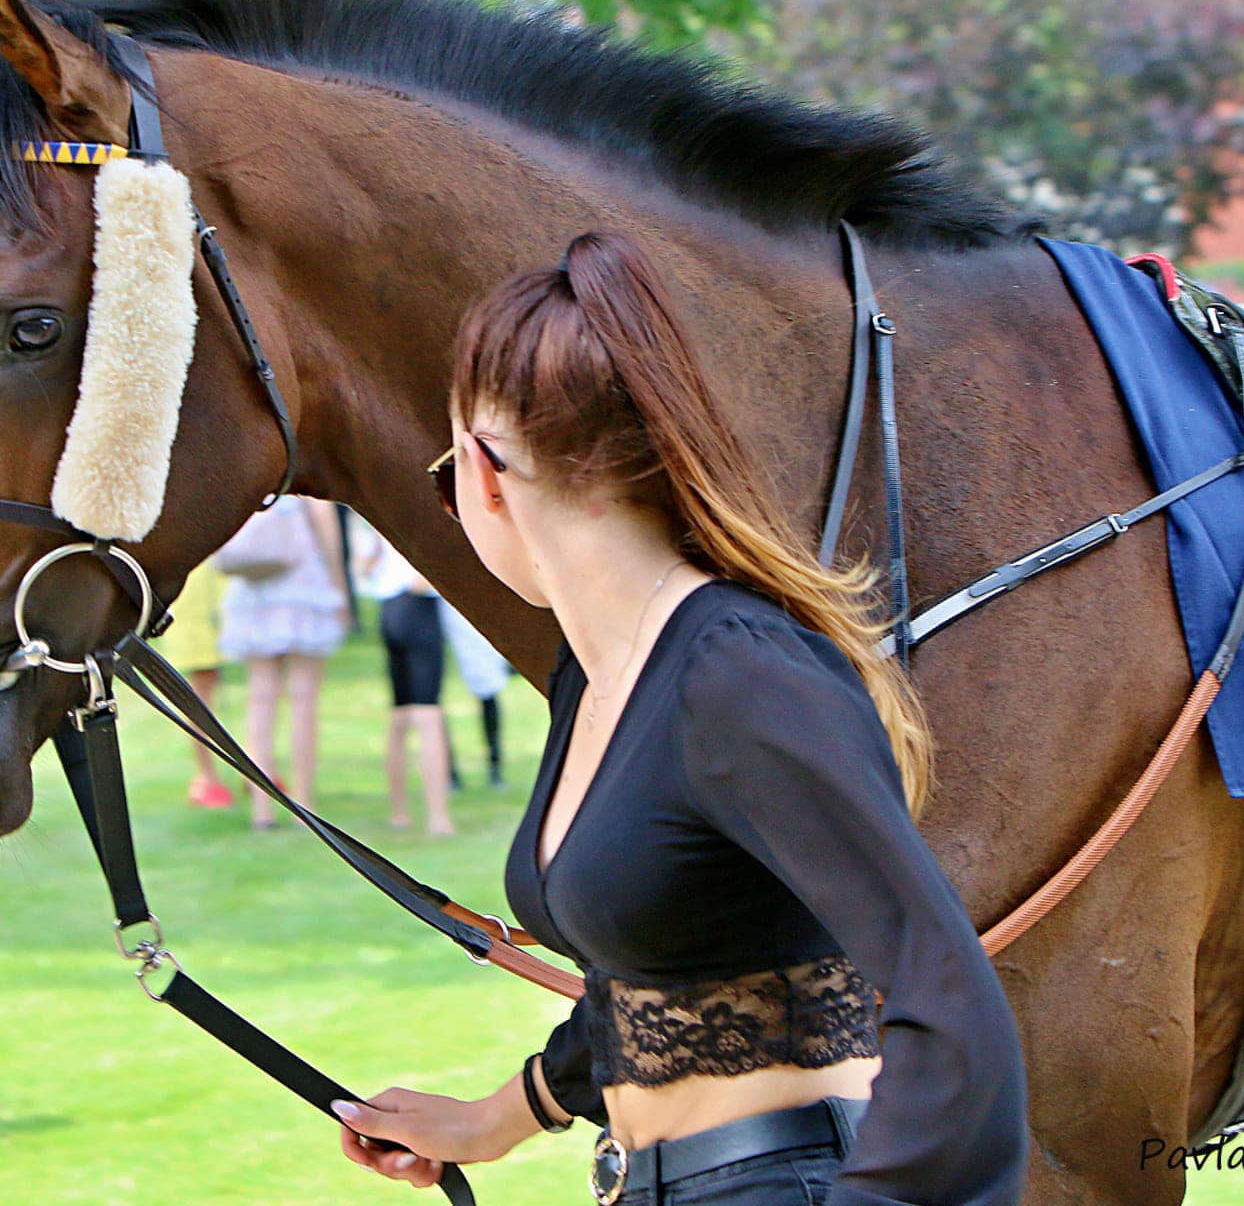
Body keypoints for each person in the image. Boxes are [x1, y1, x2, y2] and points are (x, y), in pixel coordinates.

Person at [333, 233, 1030, 1204]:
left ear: (488, 474)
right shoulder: (598, 676)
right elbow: (656, 962)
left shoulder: (740, 679)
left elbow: (957, 1020)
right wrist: (491, 1119)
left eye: (446, 476)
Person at [217, 495, 347, 831]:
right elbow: (325, 523)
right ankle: (303, 802)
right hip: (302, 586)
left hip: (254, 592)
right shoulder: (302, 479)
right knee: (303, 702)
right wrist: (340, 587)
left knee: (259, 702)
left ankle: (263, 806)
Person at [355, 527, 456, 836]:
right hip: (418, 604)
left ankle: (400, 813)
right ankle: (438, 816)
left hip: (390, 607)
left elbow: (366, 562)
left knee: (400, 715)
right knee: (428, 715)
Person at [157, 556, 235, 808]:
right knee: (202, 682)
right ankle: (209, 776)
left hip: (230, 571)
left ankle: (257, 765)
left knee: (260, 676)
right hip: (194, 582)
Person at [437, 596, 511, 788]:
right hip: (424, 602)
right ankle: (449, 773)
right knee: (430, 697)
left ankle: (495, 768)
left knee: (485, 683)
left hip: (461, 599)